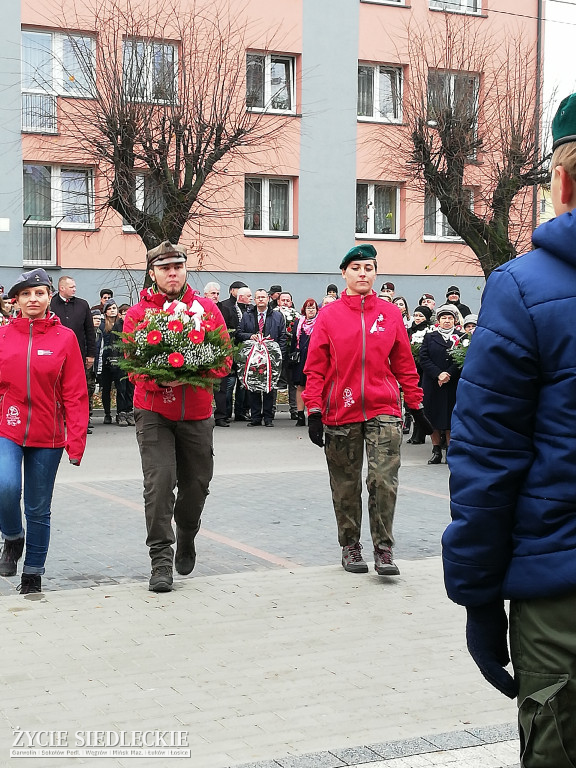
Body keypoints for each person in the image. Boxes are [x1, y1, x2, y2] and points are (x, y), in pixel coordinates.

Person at [443, 94, 576, 767]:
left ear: (564, 179)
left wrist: (476, 596)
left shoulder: (523, 289)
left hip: (562, 593)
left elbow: (488, 461)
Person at [303, 244, 430, 576]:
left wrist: (416, 406)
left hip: (383, 407)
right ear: (344, 273)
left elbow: (404, 363)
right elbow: (315, 367)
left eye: (369, 268)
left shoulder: (389, 314)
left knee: (383, 479)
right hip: (340, 411)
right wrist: (313, 410)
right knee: (345, 483)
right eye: (356, 268)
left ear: (376, 273)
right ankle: (350, 545)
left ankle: (384, 549)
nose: (363, 273)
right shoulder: (329, 316)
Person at [123, 241, 230, 593]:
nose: (173, 273)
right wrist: (161, 376)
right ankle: (161, 560)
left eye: (178, 267)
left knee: (197, 486)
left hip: (197, 413)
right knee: (159, 485)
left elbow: (225, 360)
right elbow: (133, 368)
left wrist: (198, 371)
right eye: (165, 268)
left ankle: (187, 532)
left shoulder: (207, 310)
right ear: (152, 273)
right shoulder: (138, 315)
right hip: (154, 411)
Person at [0, 268, 88, 594]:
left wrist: (76, 442)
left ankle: (33, 574)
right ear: (17, 300)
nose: (33, 298)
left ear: (49, 296)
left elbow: (76, 393)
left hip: (48, 435)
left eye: (39, 292)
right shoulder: (4, 336)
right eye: (26, 293)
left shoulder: (64, 338)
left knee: (38, 507)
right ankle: (12, 536)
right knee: (5, 486)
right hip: (7, 426)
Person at [419, 305, 464, 465]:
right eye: (444, 318)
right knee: (433, 417)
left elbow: (462, 359)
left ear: (455, 320)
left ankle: (451, 451)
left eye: (450, 318)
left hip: (452, 383)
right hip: (433, 383)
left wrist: (448, 374)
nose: (447, 321)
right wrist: (438, 374)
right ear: (438, 321)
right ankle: (436, 450)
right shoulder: (430, 337)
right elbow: (423, 358)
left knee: (451, 417)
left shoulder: (461, 337)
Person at [236, 288, 286, 426]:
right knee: (253, 387)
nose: (261, 300)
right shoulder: (248, 315)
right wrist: (250, 336)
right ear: (255, 300)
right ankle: (256, 417)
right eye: (258, 297)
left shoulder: (277, 316)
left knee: (269, 388)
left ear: (268, 299)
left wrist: (280, 356)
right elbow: (239, 333)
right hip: (253, 358)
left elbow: (282, 337)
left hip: (271, 359)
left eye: (263, 297)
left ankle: (269, 418)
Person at [50, 276, 97, 394]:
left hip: (78, 352)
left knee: (77, 386)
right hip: (55, 353)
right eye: (71, 287)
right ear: (62, 288)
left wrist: (91, 354)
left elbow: (89, 331)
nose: (74, 289)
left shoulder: (82, 304)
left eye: (75, 287)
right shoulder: (51, 304)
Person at [100, 299, 133, 426]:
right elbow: (113, 346)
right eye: (123, 313)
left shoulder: (131, 325)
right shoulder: (113, 327)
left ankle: (129, 412)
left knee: (129, 388)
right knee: (116, 389)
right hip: (113, 363)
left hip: (129, 362)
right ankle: (115, 413)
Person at [290, 299, 318, 426]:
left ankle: (314, 415)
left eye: (313, 308)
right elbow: (293, 342)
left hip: (316, 359)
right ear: (304, 310)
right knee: (301, 386)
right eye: (308, 308)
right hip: (301, 359)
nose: (311, 310)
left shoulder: (320, 323)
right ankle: (300, 415)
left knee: (315, 387)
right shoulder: (298, 323)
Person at [275, 292, 300, 420]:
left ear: (291, 302)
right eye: (283, 300)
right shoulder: (273, 314)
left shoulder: (297, 317)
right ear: (278, 302)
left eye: (288, 300)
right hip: (276, 353)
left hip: (291, 354)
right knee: (274, 381)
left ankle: (294, 410)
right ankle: (271, 410)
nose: (285, 302)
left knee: (293, 383)